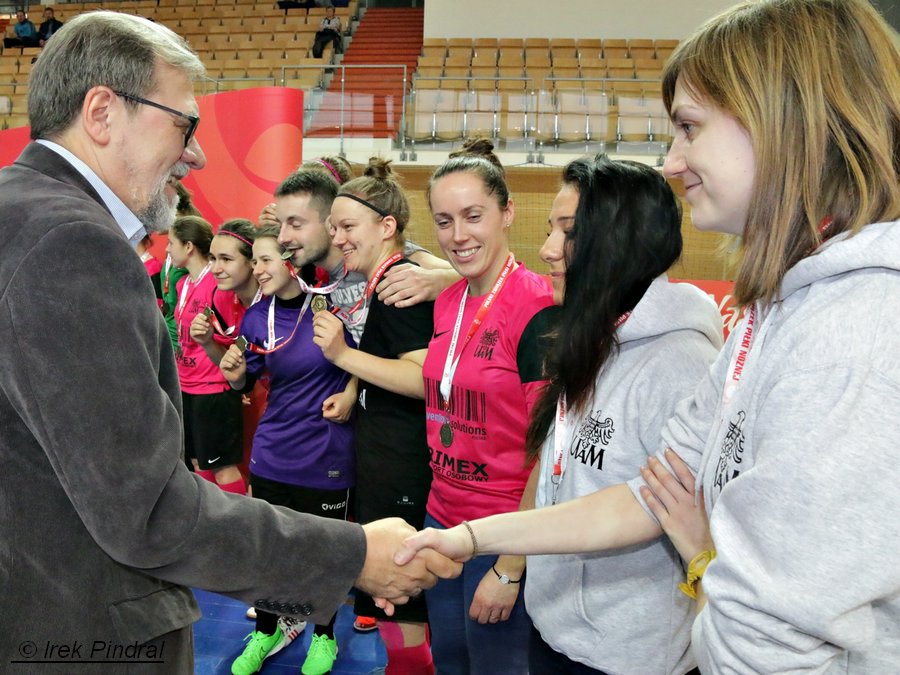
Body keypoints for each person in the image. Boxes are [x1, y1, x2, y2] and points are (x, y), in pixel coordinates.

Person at [399, 1, 900, 672]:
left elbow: (772, 640)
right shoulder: (773, 310)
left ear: (784, 122)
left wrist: (700, 559)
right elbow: (644, 495)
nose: (672, 161)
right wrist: (471, 536)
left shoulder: (852, 334)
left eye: (690, 128)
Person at [0, 12, 459, 672]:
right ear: (102, 112)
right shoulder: (73, 242)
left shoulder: (20, 210)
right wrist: (354, 555)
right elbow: (149, 509)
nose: (198, 153)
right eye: (184, 123)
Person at [524, 155, 720, 674]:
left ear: (618, 243)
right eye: (550, 229)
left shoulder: (681, 364)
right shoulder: (590, 335)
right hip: (554, 626)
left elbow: (670, 516)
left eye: (568, 232)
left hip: (628, 654)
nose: (547, 250)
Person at [420, 138, 556, 674]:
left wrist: (511, 565)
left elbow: (551, 450)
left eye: (473, 216)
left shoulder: (537, 306)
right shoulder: (449, 299)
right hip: (442, 520)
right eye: (444, 220)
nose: (458, 236)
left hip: (503, 533)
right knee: (450, 664)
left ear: (507, 213)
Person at [313, 159, 436, 675]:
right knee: (392, 589)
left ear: (387, 227)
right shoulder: (379, 279)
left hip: (404, 457)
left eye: (347, 227)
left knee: (402, 583)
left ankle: (410, 668)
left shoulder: (397, 286)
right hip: (382, 449)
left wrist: (342, 356)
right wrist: (354, 384)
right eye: (333, 227)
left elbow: (419, 377)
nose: (337, 238)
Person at [219, 227, 356, 675]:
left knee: (325, 552)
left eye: (263, 260)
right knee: (270, 550)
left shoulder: (335, 305)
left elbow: (371, 359)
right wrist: (234, 371)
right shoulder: (257, 317)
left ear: (292, 261)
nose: (255, 270)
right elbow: (244, 379)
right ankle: (267, 631)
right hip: (273, 449)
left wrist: (352, 392)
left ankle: (324, 636)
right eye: (254, 261)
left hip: (326, 453)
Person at [169, 214, 247, 494]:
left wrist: (238, 376)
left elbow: (239, 338)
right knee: (196, 461)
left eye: (171, 243)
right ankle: (210, 525)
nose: (167, 249)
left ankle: (235, 528)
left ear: (188, 246)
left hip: (214, 386)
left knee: (221, 466)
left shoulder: (219, 288)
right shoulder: (182, 285)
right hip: (186, 383)